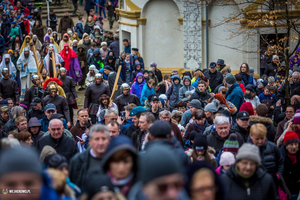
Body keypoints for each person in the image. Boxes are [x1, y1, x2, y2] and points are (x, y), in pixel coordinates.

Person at [280, 131, 300, 199]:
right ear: (286, 145)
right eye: (291, 144)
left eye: (296, 144)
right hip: (286, 192)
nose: (294, 147)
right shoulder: (280, 156)